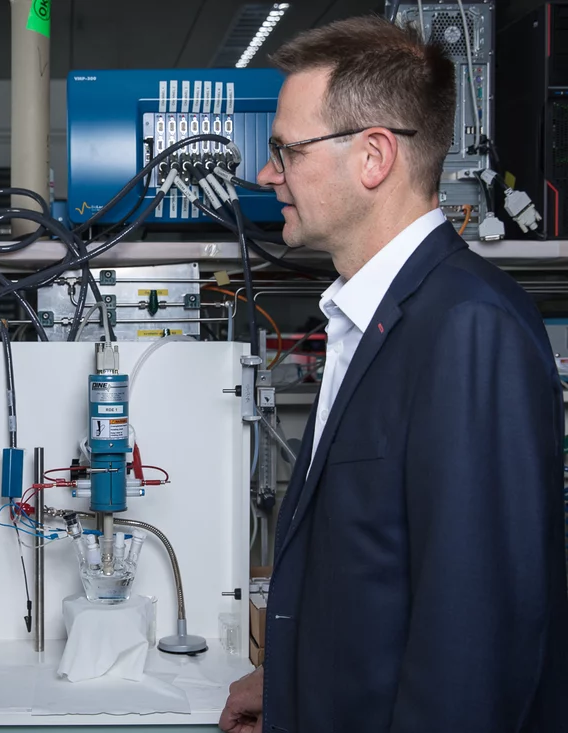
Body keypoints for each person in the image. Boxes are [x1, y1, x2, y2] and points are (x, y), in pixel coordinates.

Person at [219, 16, 568, 733]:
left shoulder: (470, 328)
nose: (266, 173)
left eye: (286, 149)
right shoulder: (369, 318)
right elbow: (377, 571)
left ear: (374, 157)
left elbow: (476, 650)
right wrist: (289, 685)